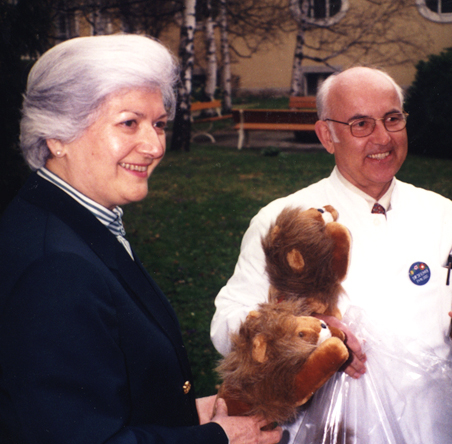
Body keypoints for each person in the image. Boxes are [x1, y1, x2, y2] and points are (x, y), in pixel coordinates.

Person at [210, 67, 452, 443]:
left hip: (433, 428)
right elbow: (227, 324)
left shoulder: (442, 212)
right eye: (360, 124)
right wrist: (306, 333)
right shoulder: (283, 221)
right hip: (332, 431)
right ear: (326, 135)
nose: (382, 137)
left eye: (392, 119)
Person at [0, 34, 282, 444]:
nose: (153, 146)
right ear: (57, 135)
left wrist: (184, 413)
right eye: (129, 122)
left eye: (159, 124)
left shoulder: (67, 222)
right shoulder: (56, 266)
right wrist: (221, 439)